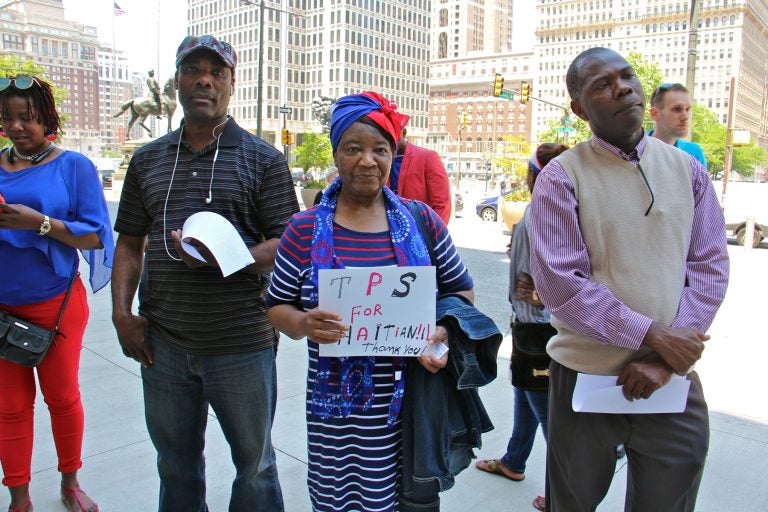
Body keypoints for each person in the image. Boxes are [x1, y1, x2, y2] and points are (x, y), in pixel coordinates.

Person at [266, 91, 495, 512]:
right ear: (336, 154)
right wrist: (302, 325)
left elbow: (462, 292)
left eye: (380, 149)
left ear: (393, 156)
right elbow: (277, 305)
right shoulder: (302, 230)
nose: (367, 161)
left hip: (409, 412)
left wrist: (441, 337)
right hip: (336, 423)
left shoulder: (422, 220)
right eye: (353, 149)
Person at [529, 47, 729, 511]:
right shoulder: (562, 177)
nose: (621, 87)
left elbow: (709, 265)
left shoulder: (689, 171)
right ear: (579, 108)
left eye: (626, 76)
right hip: (586, 378)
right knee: (572, 503)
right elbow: (562, 284)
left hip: (670, 381)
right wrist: (653, 334)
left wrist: (667, 359)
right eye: (601, 84)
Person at [111, 35, 298, 512]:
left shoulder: (263, 159)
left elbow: (290, 245)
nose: (204, 80)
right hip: (165, 346)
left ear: (231, 84)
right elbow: (129, 243)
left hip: (242, 346)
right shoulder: (148, 159)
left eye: (217, 72)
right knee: (175, 464)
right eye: (193, 70)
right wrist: (121, 314)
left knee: (254, 467)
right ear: (177, 81)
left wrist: (228, 259)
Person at [0, 75, 114, 512]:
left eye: (27, 117)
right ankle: (19, 497)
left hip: (54, 303)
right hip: (2, 305)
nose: (17, 126)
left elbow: (95, 236)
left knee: (62, 397)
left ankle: (70, 482)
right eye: (9, 118)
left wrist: (39, 223)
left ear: (46, 118)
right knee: (9, 407)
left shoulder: (74, 166)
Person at [474, 143, 568, 512]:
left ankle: (563, 493)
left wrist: (545, 294)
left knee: (549, 418)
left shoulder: (544, 214)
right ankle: (514, 461)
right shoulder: (547, 211)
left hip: (540, 331)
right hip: (529, 327)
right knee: (524, 398)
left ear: (533, 175)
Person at [390, 126, 452, 224]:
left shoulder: (428, 157)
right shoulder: (379, 159)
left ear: (404, 133)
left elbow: (442, 204)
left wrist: (432, 235)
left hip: (420, 231)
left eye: (392, 132)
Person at [648, 82, 707, 167]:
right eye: (677, 109)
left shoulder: (694, 152)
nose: (686, 116)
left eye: (687, 109)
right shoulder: (636, 150)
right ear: (655, 114)